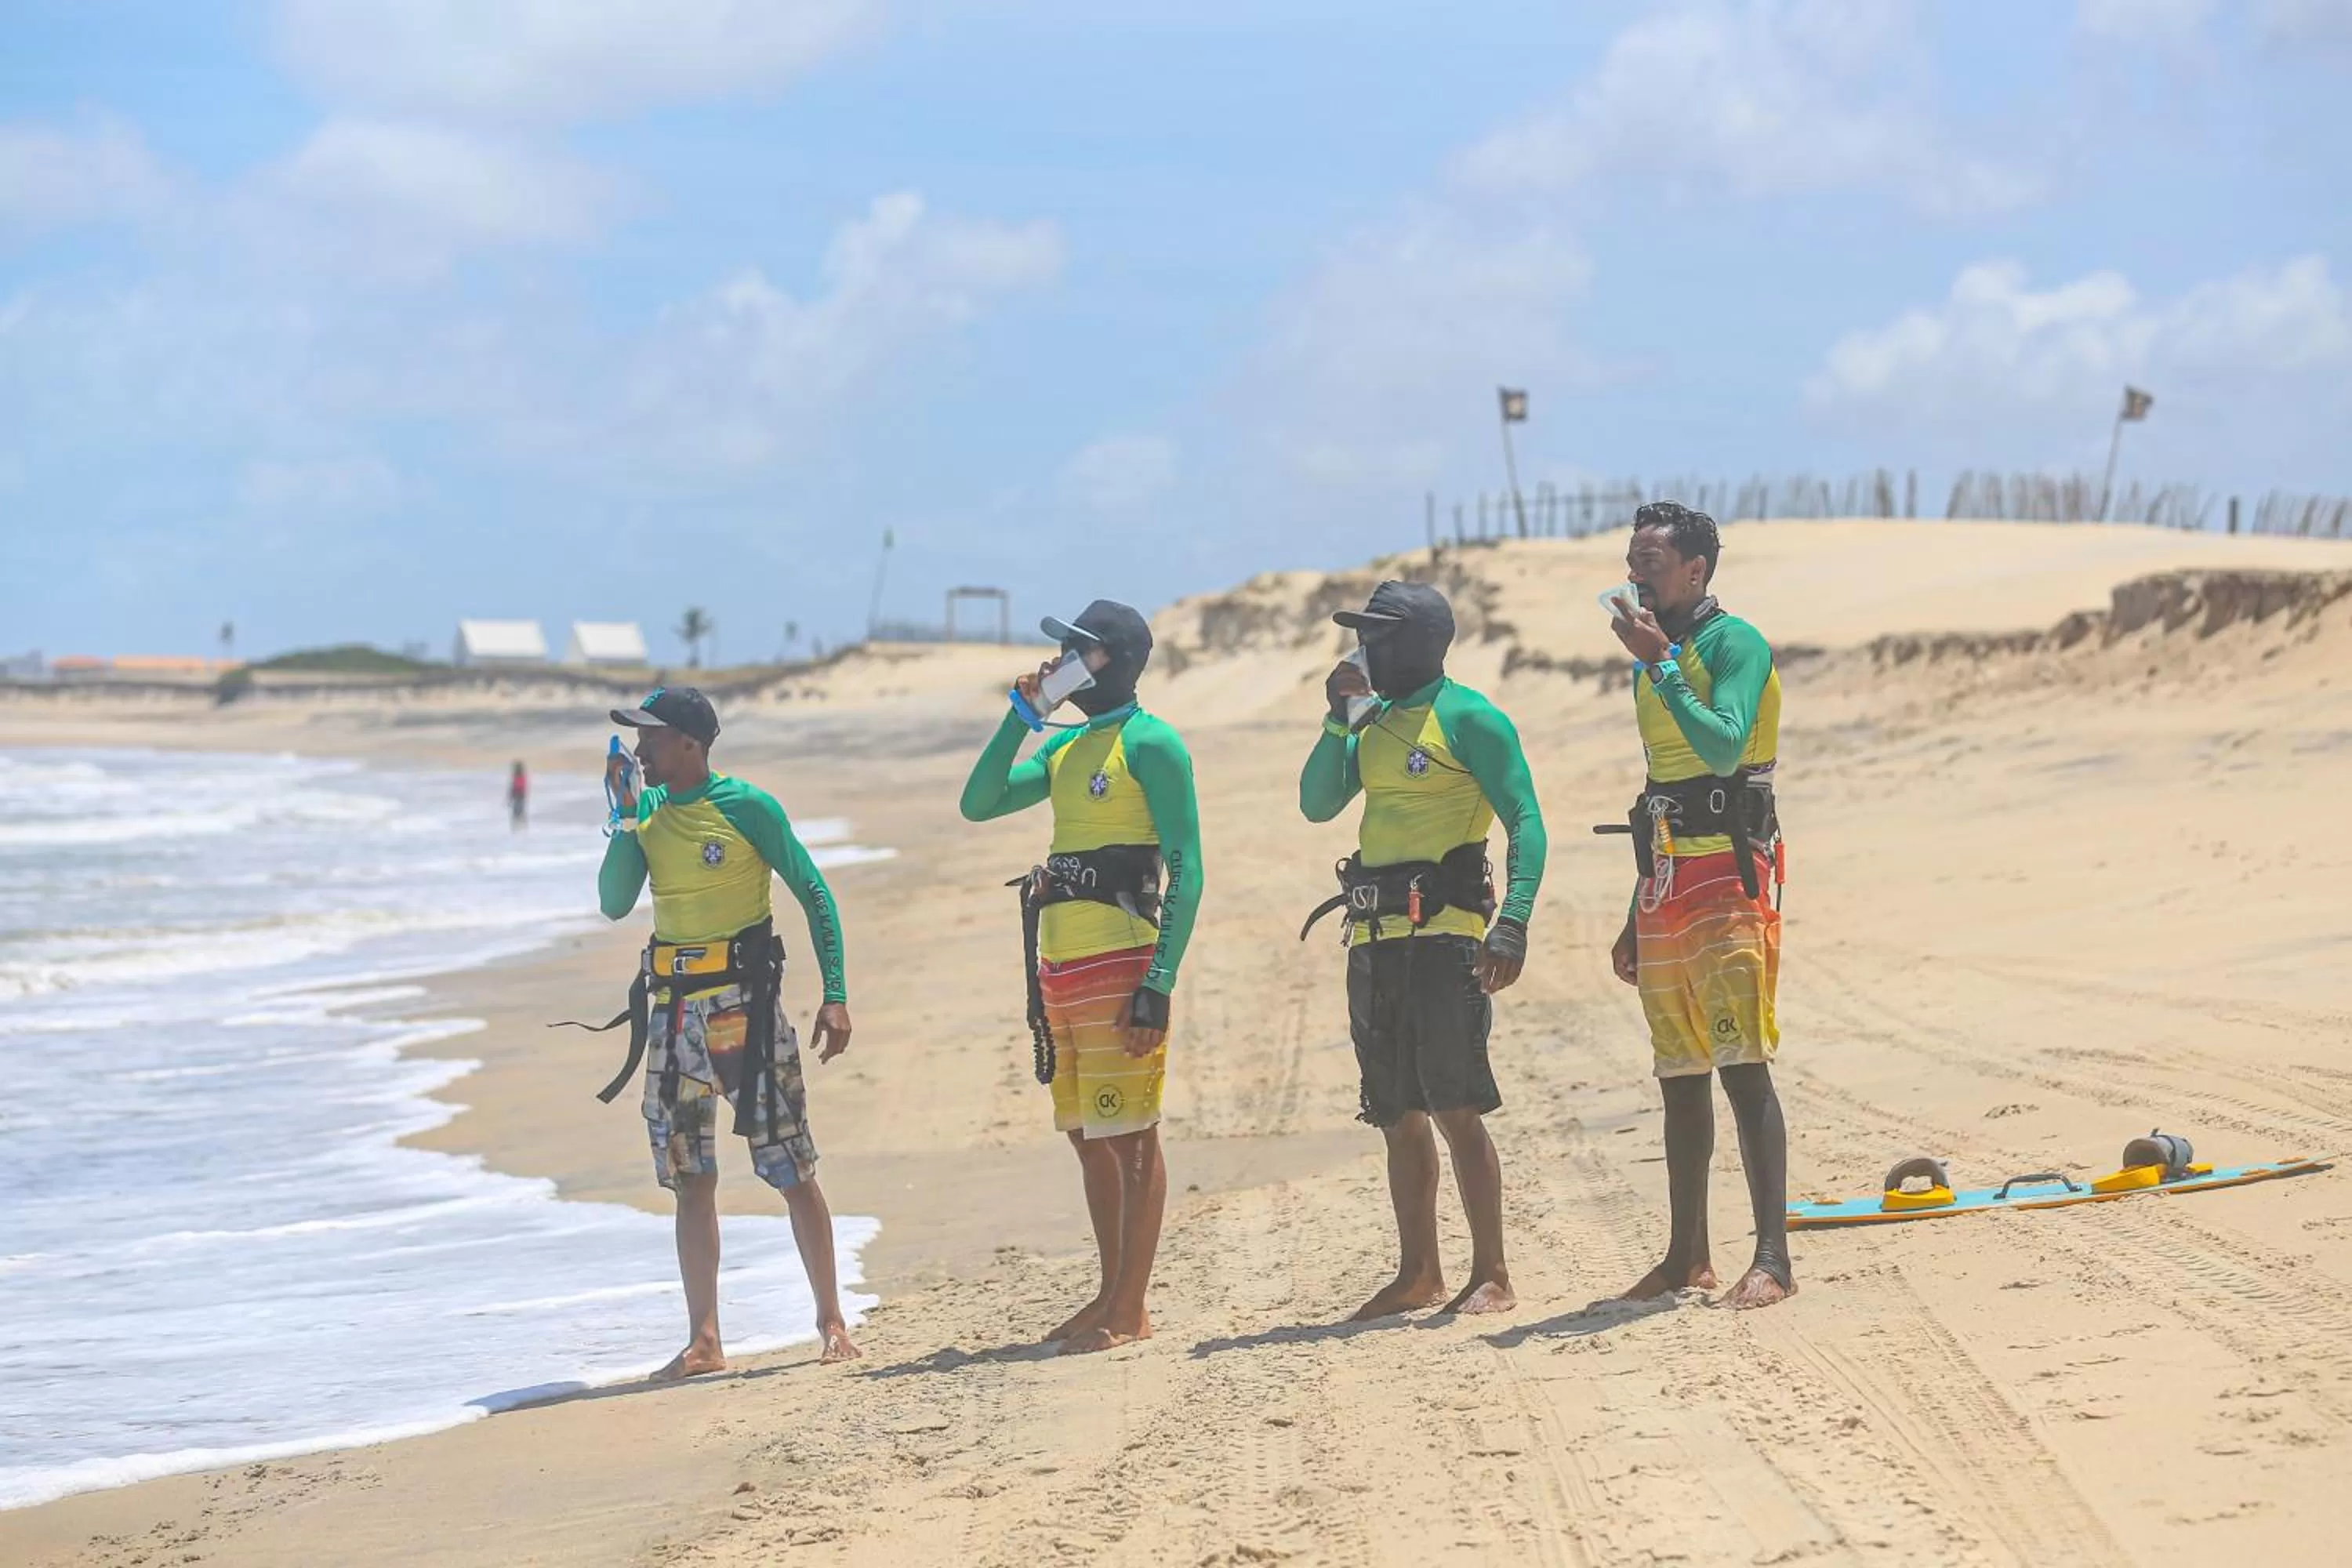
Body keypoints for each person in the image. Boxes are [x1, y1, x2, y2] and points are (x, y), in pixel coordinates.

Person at [594, 686, 864, 1373]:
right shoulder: (646, 812)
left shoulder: (748, 807)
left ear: (689, 742)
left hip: (744, 1011)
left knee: (791, 1169)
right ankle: (705, 1340)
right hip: (674, 1015)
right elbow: (615, 902)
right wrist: (626, 818)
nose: (639, 749)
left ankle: (832, 1320)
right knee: (691, 1178)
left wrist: (835, 995)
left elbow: (814, 892)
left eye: (650, 737)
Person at [959, 601, 1203, 1354]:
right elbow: (980, 802)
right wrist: (1023, 715)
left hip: (1122, 959)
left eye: (1076, 652)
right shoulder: (1068, 750)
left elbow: (1188, 868)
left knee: (1132, 1135)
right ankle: (1110, 1293)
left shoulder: (1153, 744)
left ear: (1113, 661)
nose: (1062, 661)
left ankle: (1131, 1306)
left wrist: (1157, 984)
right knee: (1087, 1133)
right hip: (1061, 966)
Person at [1300, 581, 1546, 1319]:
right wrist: (1338, 720)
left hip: (1446, 937)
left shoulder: (1473, 718)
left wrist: (1515, 921)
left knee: (1455, 1105)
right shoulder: (1370, 722)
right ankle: (1419, 1275)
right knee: (1395, 1113)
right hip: (1374, 935)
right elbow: (1317, 803)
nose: (1364, 648)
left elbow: (1525, 820)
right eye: (1361, 635)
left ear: (1414, 642)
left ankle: (1492, 1272)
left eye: (1375, 635)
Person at [1606, 503, 1794, 1310]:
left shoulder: (1732, 643)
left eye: (1652, 559)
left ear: (1695, 572)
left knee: (1741, 1066)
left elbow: (1722, 746)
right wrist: (1631, 910)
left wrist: (1662, 667)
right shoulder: (1661, 653)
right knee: (1679, 1072)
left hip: (1731, 873)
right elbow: (1662, 789)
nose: (1636, 571)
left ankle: (1775, 1259)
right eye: (1632, 557)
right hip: (1668, 877)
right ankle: (1687, 1255)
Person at [507, 760, 529, 830]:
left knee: (516, 812)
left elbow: (513, 787)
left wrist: (510, 797)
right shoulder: (523, 776)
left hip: (517, 794)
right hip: (521, 795)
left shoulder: (516, 776)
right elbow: (524, 787)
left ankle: (516, 827)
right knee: (520, 811)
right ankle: (522, 825)